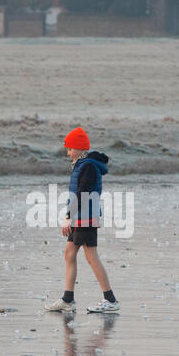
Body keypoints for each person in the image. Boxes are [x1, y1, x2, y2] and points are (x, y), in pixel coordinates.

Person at [45, 127, 120, 314]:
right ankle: (67, 299)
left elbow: (82, 195)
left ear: (79, 148)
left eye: (70, 149)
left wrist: (68, 217)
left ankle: (110, 299)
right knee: (69, 253)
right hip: (81, 217)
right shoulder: (82, 165)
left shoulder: (87, 166)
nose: (68, 153)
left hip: (85, 218)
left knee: (91, 256)